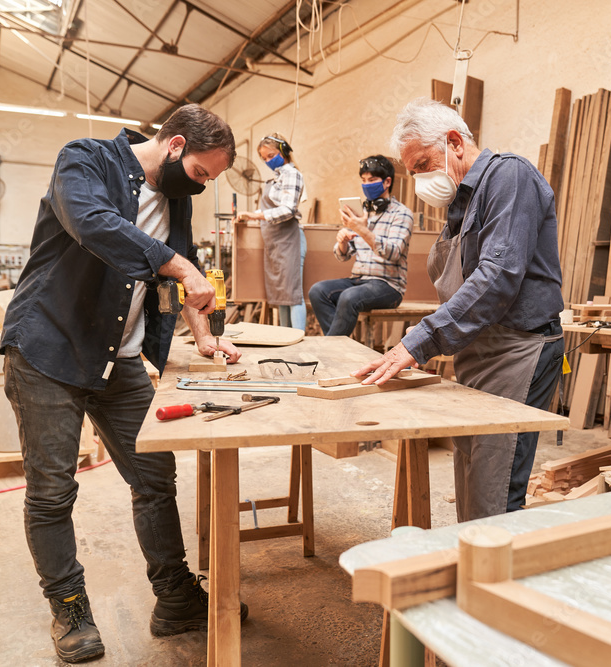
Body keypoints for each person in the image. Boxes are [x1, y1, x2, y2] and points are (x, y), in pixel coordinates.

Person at [1, 104, 246, 663]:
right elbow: (92, 225)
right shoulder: (85, 160)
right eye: (203, 174)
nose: (203, 187)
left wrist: (203, 337)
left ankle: (174, 596)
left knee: (155, 476)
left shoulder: (177, 200)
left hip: (121, 358)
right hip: (49, 350)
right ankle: (69, 607)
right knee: (53, 490)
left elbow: (174, 270)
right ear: (177, 145)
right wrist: (181, 267)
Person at [353, 98, 565, 523]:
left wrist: (420, 341)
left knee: (496, 486)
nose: (420, 179)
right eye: (413, 172)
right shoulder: (461, 203)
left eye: (424, 163)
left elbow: (498, 275)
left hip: (518, 349)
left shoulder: (509, 176)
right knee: (471, 472)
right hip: (479, 350)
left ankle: (496, 581)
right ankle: (472, 568)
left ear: (454, 142)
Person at [308, 155, 414, 336]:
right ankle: (339, 348)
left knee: (348, 297)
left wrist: (362, 230)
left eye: (372, 180)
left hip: (388, 285)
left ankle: (332, 353)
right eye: (363, 181)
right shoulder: (362, 212)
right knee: (317, 291)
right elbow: (344, 255)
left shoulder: (402, 214)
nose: (366, 185)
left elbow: (394, 253)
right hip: (359, 279)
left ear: (387, 182)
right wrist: (342, 242)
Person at [234, 133, 307, 330]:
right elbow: (270, 208)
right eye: (264, 158)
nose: (268, 161)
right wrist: (249, 215)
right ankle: (286, 338)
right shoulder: (276, 179)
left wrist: (256, 215)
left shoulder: (292, 174)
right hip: (275, 242)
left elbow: (287, 210)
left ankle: (299, 340)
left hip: (289, 239)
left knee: (292, 294)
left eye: (271, 155)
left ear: (283, 152)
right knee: (281, 296)